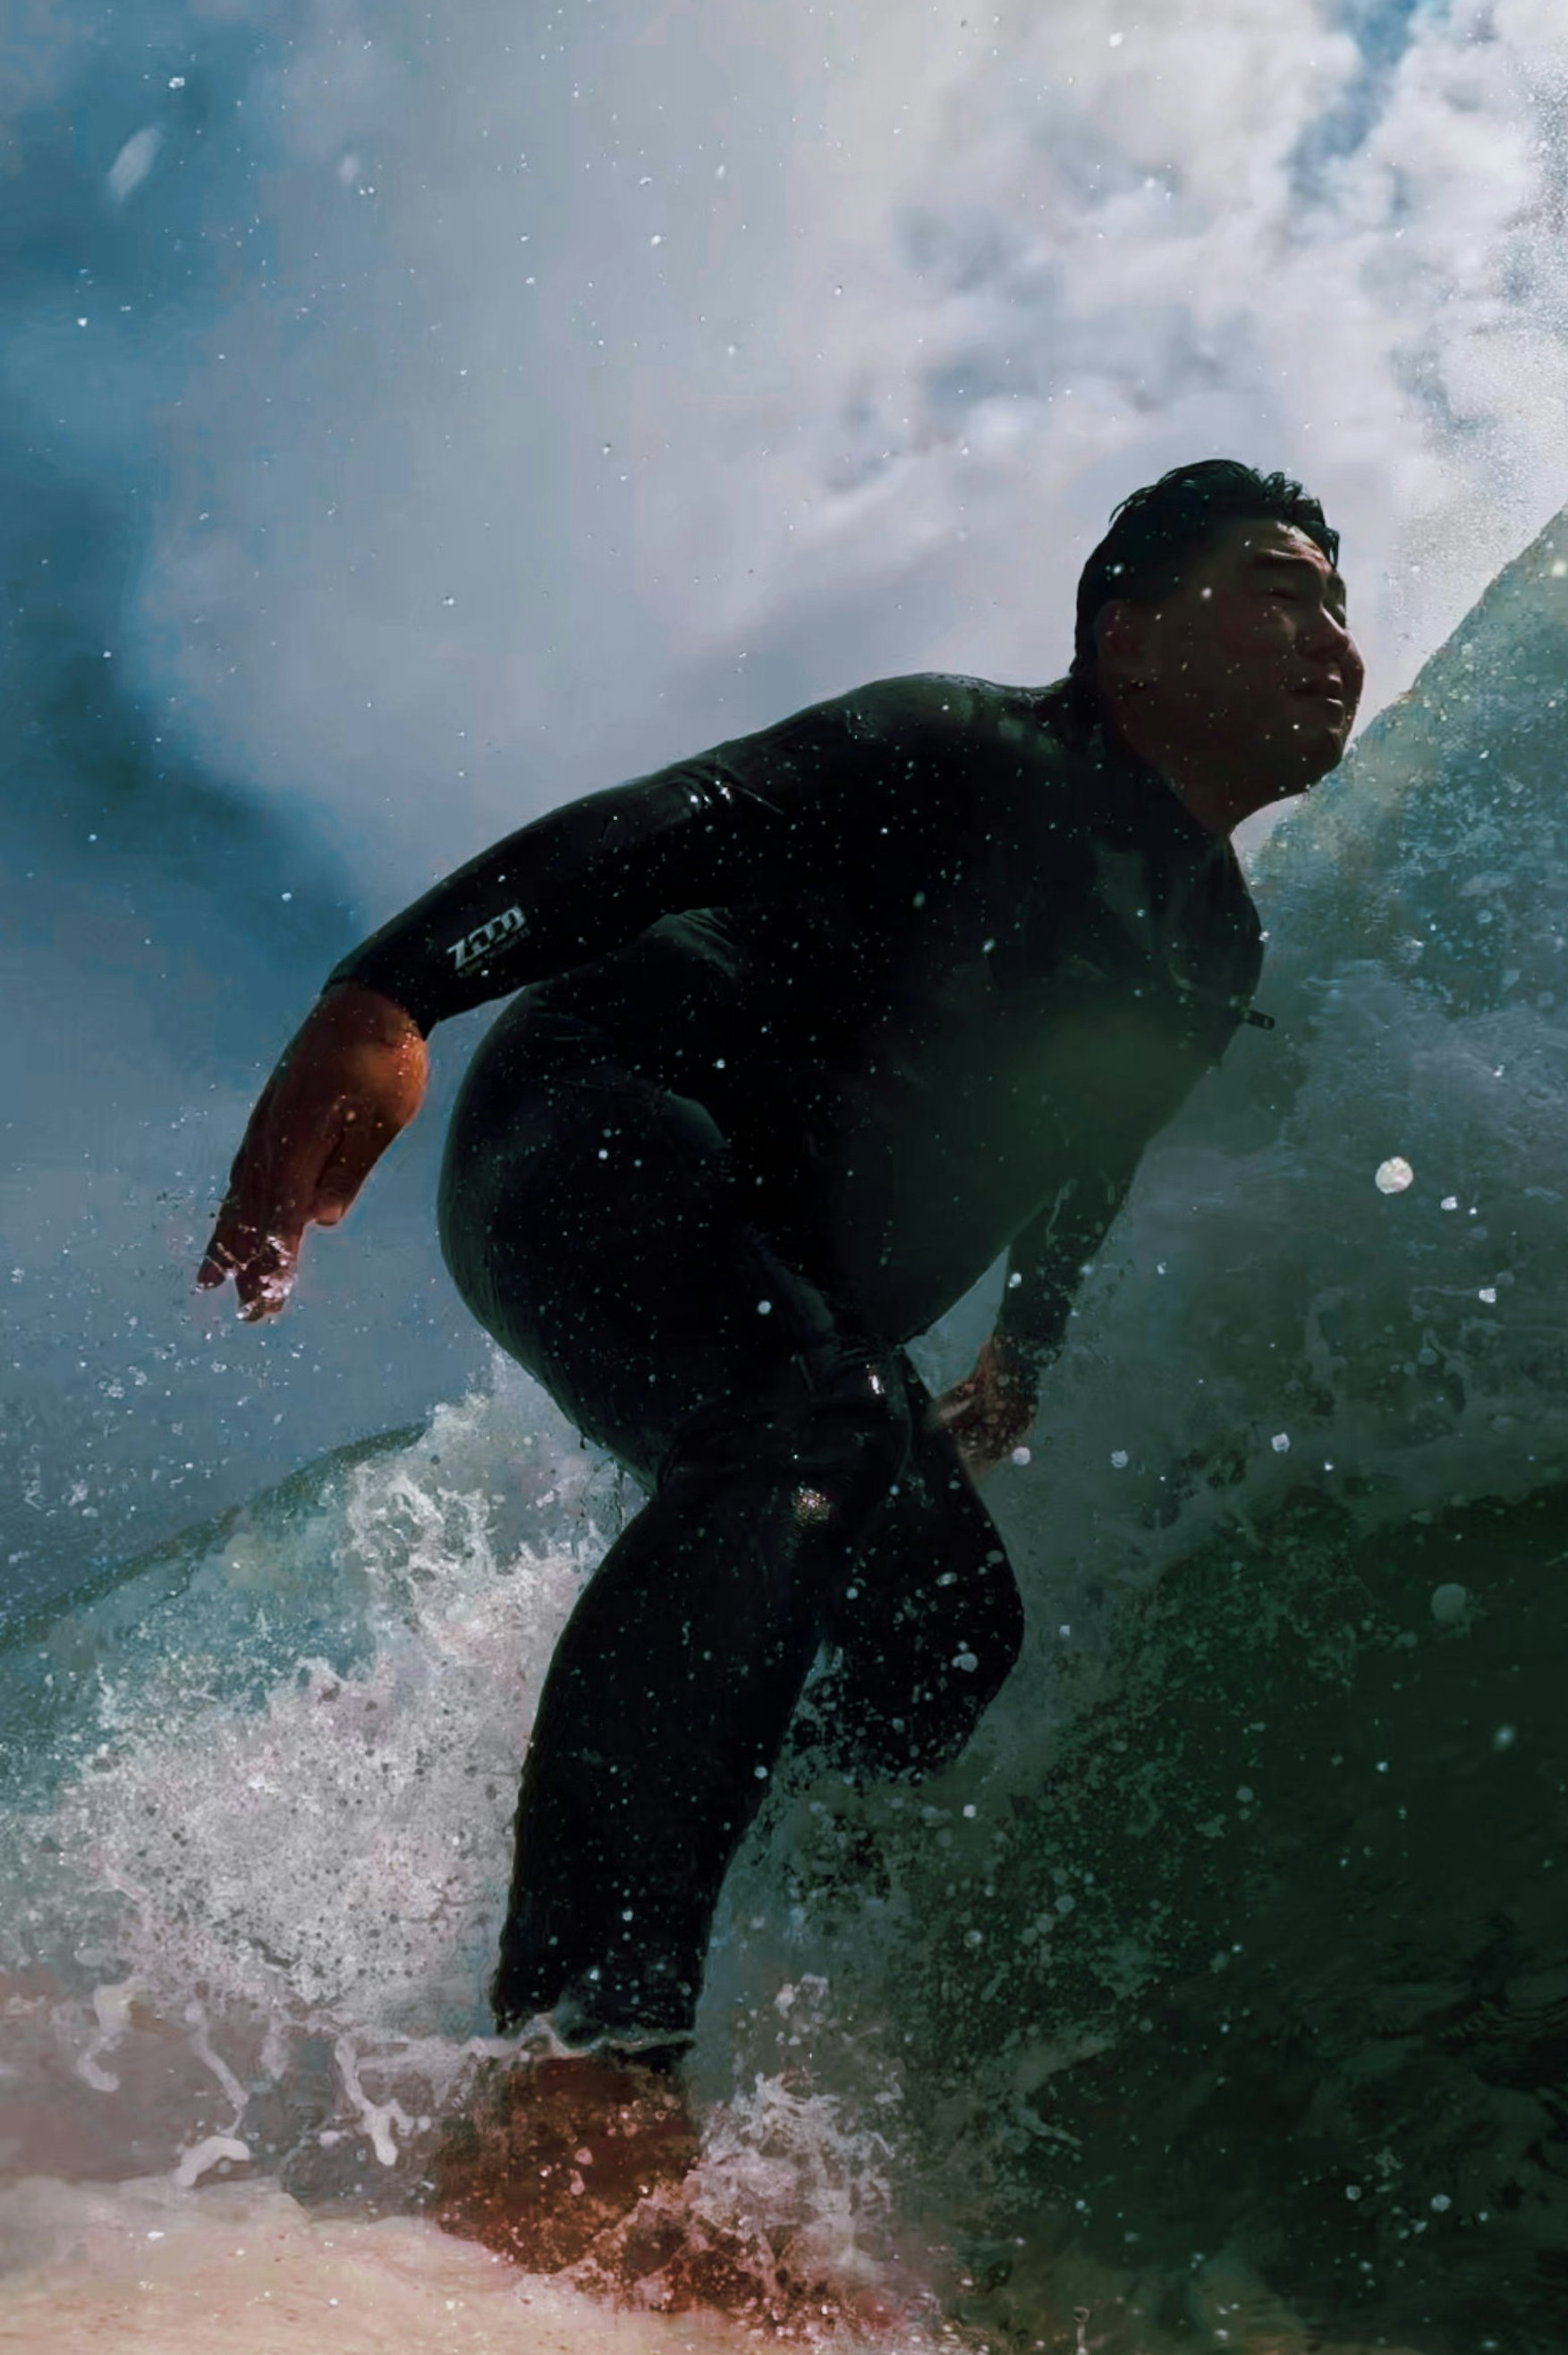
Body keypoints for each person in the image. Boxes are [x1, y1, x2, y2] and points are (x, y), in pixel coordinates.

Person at [193, 461, 1362, 2261]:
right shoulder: (968, 751)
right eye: (1282, 588)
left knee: (947, 1630)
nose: (1333, 636)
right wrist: (394, 991)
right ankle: (577, 2070)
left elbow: (1092, 1159)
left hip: (800, 1295)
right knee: (794, 1425)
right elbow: (649, 837)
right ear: (1127, 632)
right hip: (599, 1132)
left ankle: (764, 2011)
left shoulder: (1210, 942)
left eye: (1340, 603)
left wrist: (1027, 1348)